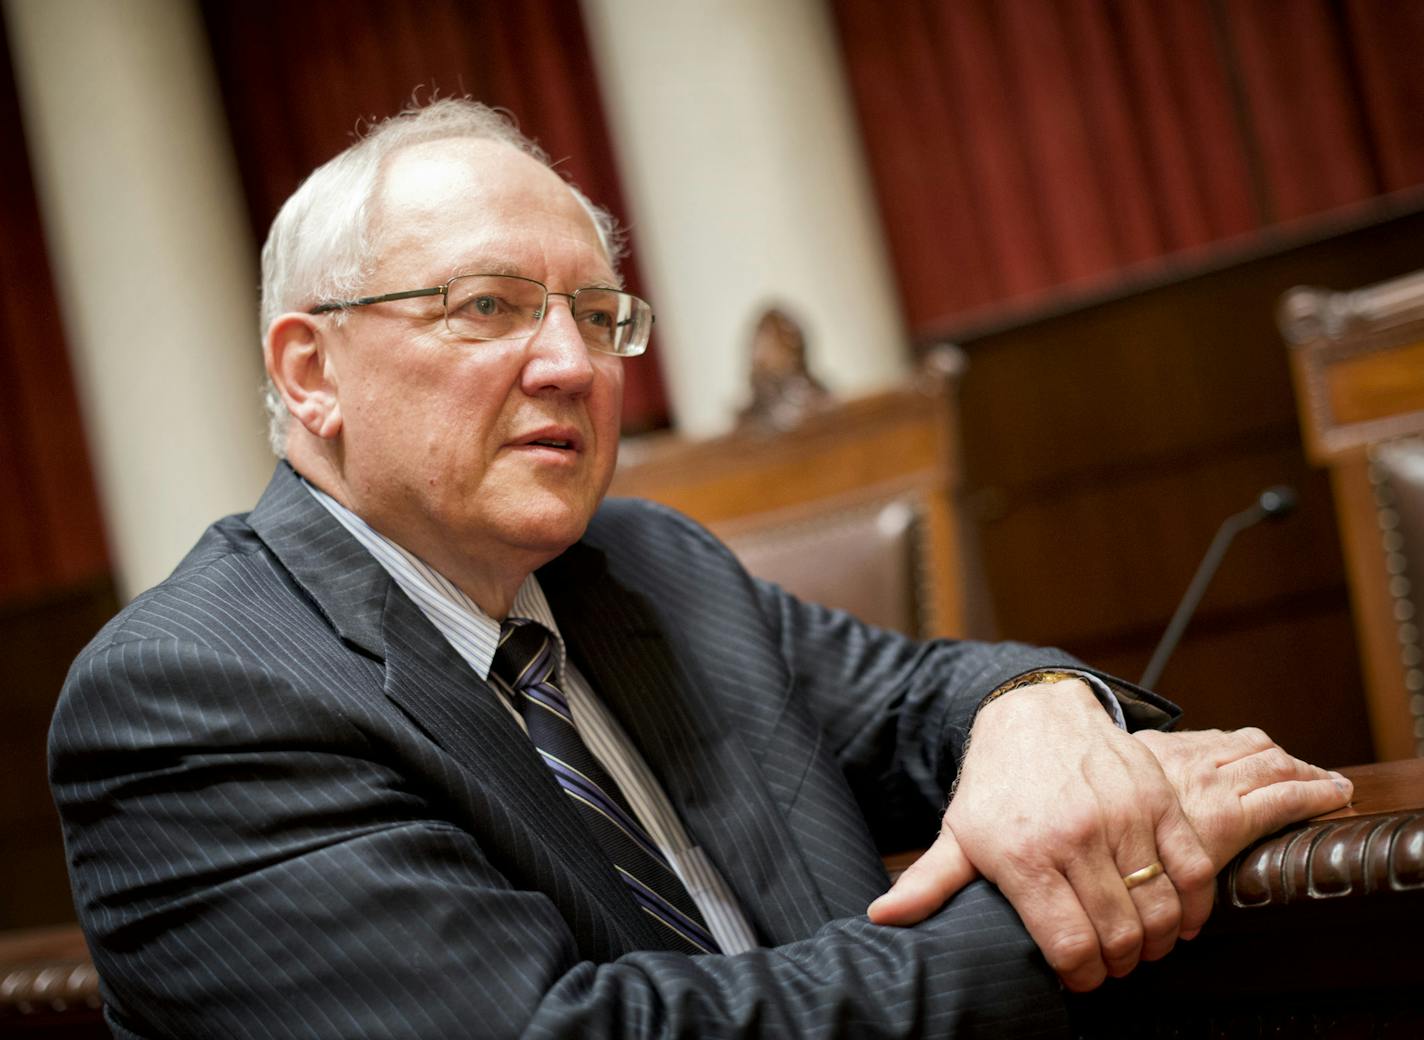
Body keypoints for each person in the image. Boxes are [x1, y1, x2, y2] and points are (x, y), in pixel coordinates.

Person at [50, 99, 1350, 1039]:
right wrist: (1087, 899)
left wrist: (1038, 716)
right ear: (309, 371)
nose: (572, 365)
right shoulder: (190, 695)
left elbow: (916, 703)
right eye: (488, 306)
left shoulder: (644, 563)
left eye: (597, 315)